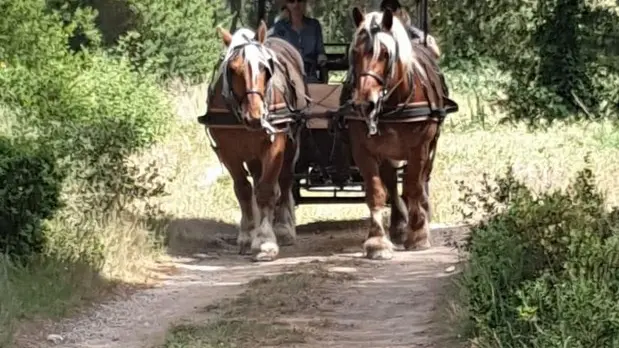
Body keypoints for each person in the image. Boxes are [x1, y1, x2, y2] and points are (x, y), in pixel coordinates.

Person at [268, 0, 327, 82]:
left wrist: (321, 58)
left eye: (300, 0)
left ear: (305, 3)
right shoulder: (279, 26)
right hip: (287, 76)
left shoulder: (314, 25)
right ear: (287, 4)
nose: (296, 4)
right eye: (292, 1)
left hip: (309, 76)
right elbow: (274, 49)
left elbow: (320, 51)